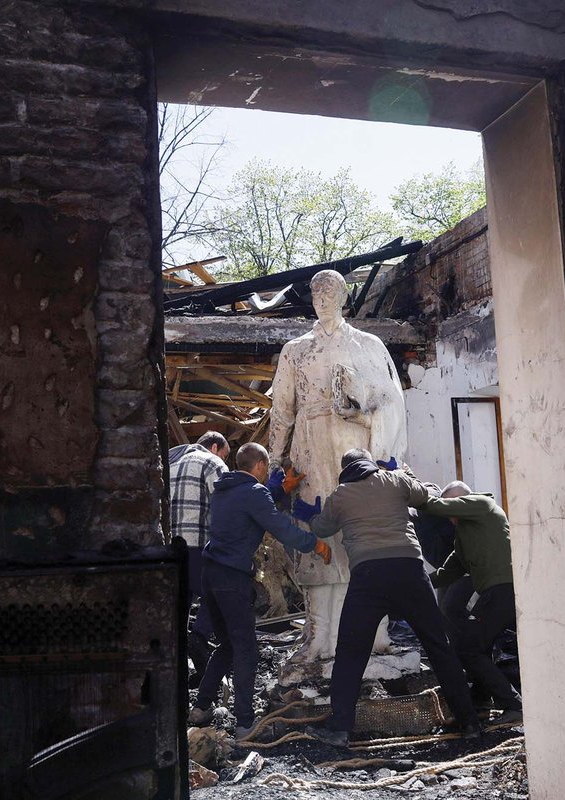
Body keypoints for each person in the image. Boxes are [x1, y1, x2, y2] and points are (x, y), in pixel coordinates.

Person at [269, 269, 408, 672]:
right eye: (316, 291)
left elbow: (392, 402)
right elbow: (282, 410)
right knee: (317, 536)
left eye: (330, 291)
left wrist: (362, 414)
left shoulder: (368, 344)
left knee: (362, 537)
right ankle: (319, 637)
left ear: (344, 297)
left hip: (356, 449)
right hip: (311, 451)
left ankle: (375, 636)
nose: (323, 298)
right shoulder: (296, 350)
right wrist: (277, 462)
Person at [294, 448, 482, 746]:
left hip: (368, 576)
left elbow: (322, 527)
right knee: (438, 646)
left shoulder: (340, 496)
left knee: (351, 653)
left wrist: (311, 514)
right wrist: (403, 475)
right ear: (372, 464)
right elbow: (428, 497)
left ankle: (340, 729)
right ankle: (470, 721)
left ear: (345, 469)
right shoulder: (395, 481)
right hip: (409, 570)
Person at [189, 442, 333, 738]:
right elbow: (278, 524)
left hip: (210, 575)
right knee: (246, 650)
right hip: (231, 579)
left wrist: (281, 490)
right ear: (260, 467)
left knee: (228, 645)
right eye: (267, 468)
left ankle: (201, 707)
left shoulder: (224, 489)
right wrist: (314, 543)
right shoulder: (253, 493)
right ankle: (244, 724)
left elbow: (255, 504)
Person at [423, 481, 523, 723]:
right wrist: (419, 582)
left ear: (461, 500)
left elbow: (437, 506)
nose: (449, 517)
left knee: (469, 648)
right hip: (493, 594)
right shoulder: (464, 534)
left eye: (451, 507)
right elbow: (450, 570)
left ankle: (514, 706)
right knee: (476, 643)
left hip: (504, 590)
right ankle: (481, 698)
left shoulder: (483, 504)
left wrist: (410, 492)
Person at [168, 431, 231, 676]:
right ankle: (200, 636)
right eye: (225, 454)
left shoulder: (170, 462)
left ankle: (178, 662)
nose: (225, 458)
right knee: (215, 594)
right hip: (198, 544)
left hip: (171, 547)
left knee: (178, 606)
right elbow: (226, 505)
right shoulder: (213, 463)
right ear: (214, 447)